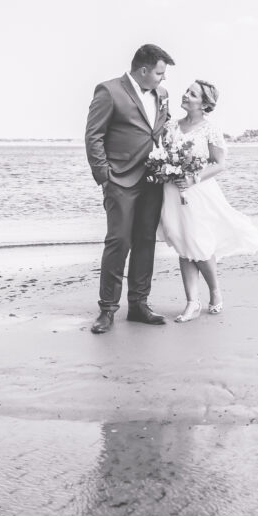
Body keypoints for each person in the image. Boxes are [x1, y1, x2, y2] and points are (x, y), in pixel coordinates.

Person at [85, 43, 175, 334]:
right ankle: (108, 310)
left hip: (153, 179)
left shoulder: (162, 94)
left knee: (145, 241)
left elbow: (163, 127)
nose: (163, 79)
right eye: (160, 73)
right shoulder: (108, 91)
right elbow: (94, 135)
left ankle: (139, 305)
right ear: (144, 70)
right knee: (119, 242)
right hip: (120, 179)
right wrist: (104, 176)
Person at [158, 79, 258, 322]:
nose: (185, 95)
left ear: (204, 104)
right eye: (186, 91)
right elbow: (163, 154)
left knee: (201, 245)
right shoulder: (171, 126)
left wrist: (192, 177)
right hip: (172, 191)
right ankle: (191, 303)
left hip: (198, 192)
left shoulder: (210, 129)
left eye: (192, 94)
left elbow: (219, 164)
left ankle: (214, 291)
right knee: (183, 244)